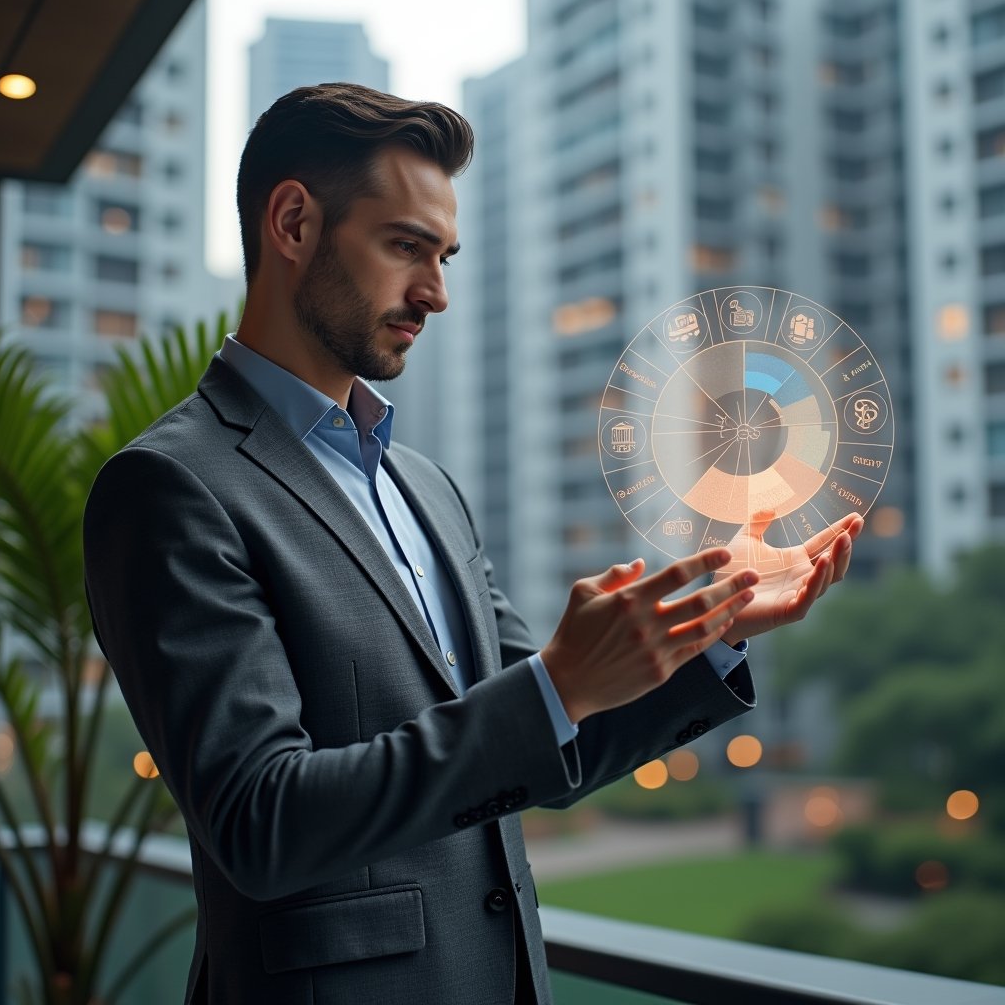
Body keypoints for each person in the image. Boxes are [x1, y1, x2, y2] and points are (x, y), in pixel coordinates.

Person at [83, 83, 862, 1005]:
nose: (437, 293)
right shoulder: (174, 485)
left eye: (445, 255)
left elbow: (540, 743)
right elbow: (262, 820)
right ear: (292, 223)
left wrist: (714, 627)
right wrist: (558, 684)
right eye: (407, 247)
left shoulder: (427, 489)